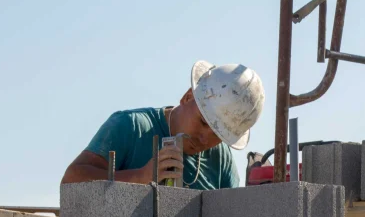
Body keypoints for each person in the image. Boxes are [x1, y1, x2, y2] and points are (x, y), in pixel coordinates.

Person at [61, 61, 264, 190]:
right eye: (203, 122)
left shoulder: (221, 159)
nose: (204, 139)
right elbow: (71, 181)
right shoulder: (130, 127)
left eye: (217, 135)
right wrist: (140, 177)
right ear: (187, 97)